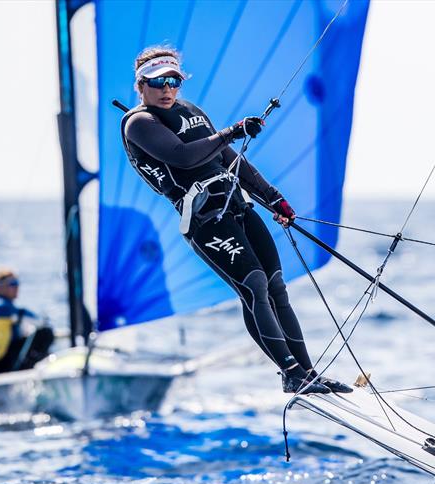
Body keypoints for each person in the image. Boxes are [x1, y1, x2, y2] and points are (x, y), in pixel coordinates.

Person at [119, 46, 351, 395]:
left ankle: (308, 371)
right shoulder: (139, 122)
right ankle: (290, 373)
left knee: (276, 287)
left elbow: (229, 159)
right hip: (204, 220)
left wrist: (273, 197)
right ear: (141, 85)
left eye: (174, 81)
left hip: (237, 206)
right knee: (253, 286)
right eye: (158, 83)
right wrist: (234, 130)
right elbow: (182, 158)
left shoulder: (190, 111)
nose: (167, 89)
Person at [0, 268, 55, 375]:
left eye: (17, 283)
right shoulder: (0, 306)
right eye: (13, 283)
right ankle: (30, 374)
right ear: (0, 287)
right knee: (45, 333)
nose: (17, 287)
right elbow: (37, 321)